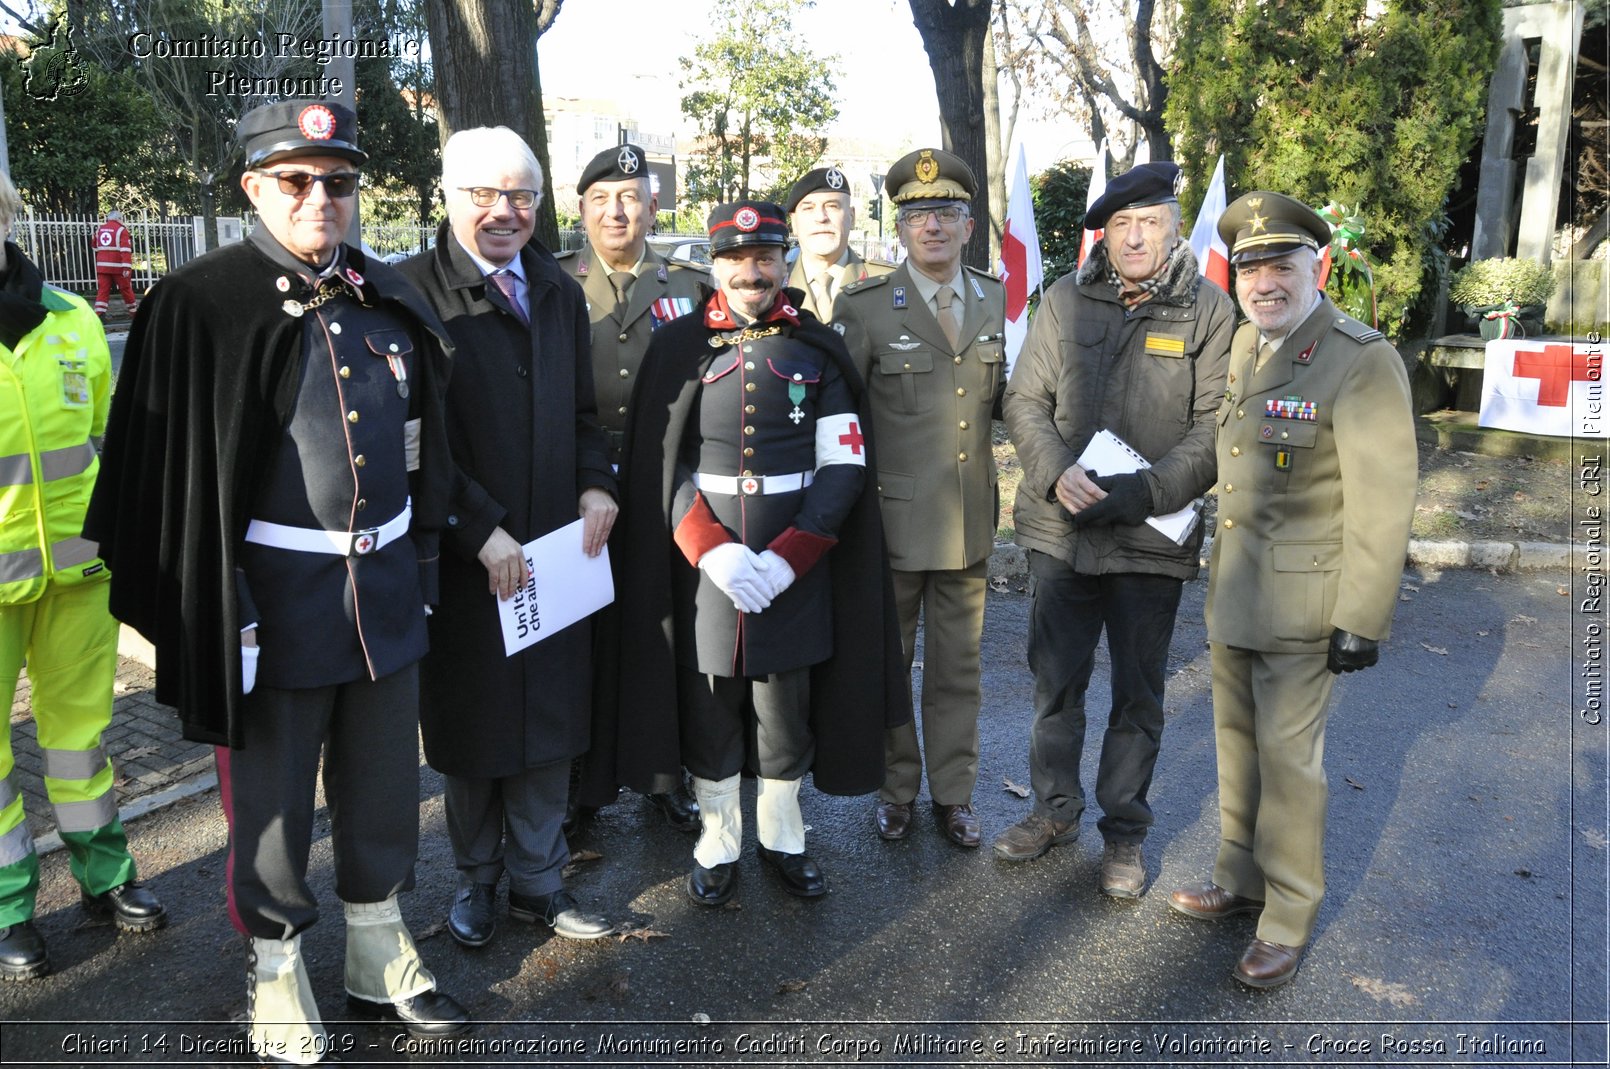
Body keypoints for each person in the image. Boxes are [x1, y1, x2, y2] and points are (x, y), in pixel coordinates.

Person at [84, 100, 468, 1061]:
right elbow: (161, 480)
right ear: (253, 186)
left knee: (383, 787)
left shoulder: (387, 298)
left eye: (337, 182)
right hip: (267, 606)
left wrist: (419, 570)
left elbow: (427, 452)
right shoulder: (200, 303)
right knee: (271, 806)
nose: (319, 199)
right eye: (296, 180)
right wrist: (221, 611)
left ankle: (377, 950)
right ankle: (276, 968)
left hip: (382, 598)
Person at [611, 200, 907, 907]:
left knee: (785, 704)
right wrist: (709, 551)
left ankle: (783, 832)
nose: (753, 271)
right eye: (738, 259)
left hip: (793, 567)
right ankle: (718, 835)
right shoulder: (676, 345)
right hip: (705, 571)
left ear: (785, 262)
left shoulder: (818, 347)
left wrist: (789, 556)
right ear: (714, 266)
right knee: (709, 702)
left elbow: (844, 463)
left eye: (766, 257)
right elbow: (660, 464)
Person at [1167, 191, 1416, 989]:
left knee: (1289, 761)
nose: (1265, 282)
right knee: (1237, 747)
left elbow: (1385, 499)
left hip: (1308, 608)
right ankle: (1240, 879)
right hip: (1236, 593)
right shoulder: (1247, 344)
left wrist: (1362, 616)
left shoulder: (1359, 356)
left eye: (1282, 265)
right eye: (1251, 268)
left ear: (1320, 267)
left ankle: (1289, 913)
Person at [398, 127, 617, 950]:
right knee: (476, 729)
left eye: (520, 195)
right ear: (448, 196)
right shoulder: (412, 292)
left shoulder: (556, 290)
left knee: (547, 722)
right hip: (468, 562)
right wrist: (477, 530)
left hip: (556, 555)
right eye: (483, 194)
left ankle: (540, 878)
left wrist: (599, 482)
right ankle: (478, 883)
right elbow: (410, 442)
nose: (504, 211)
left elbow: (585, 416)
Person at [998, 161, 1234, 898]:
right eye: (1122, 225)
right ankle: (1052, 811)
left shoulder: (1208, 310)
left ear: (1173, 225)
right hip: (1061, 531)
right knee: (1054, 688)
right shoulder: (1064, 300)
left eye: (1151, 223)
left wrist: (1148, 490)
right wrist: (1054, 470)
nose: (1136, 237)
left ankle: (1124, 833)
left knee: (1138, 697)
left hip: (1149, 537)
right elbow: (1024, 401)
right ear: (1105, 233)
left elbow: (1214, 426)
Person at [0, 172, 165, 982]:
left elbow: (114, 445)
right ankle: (9, 910)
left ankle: (107, 876)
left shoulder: (73, 322)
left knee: (76, 742)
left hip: (78, 574)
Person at [832, 148, 1005, 848]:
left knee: (960, 669)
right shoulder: (866, 307)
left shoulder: (996, 299)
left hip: (969, 519)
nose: (931, 226)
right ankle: (897, 789)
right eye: (917, 214)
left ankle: (953, 796)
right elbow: (843, 417)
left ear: (968, 226)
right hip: (893, 521)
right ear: (900, 229)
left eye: (946, 213)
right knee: (892, 664)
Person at [559, 142, 706, 832]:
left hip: (659, 485)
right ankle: (577, 785)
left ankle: (660, 774)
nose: (616, 211)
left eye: (630, 198)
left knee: (659, 632)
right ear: (580, 209)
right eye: (601, 200)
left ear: (653, 207)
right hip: (571, 488)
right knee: (576, 636)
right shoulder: (554, 283)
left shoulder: (691, 288)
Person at [783, 166, 891, 322]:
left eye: (832, 206)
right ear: (793, 222)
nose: (821, 217)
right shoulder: (774, 284)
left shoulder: (888, 282)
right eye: (808, 208)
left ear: (852, 217)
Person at [92, 209, 138, 320]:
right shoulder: (122, 230)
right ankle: (134, 313)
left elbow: (94, 247)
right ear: (118, 218)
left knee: (103, 290)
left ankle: (99, 314)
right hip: (118, 266)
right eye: (121, 219)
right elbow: (125, 250)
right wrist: (126, 266)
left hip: (102, 266)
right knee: (126, 289)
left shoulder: (100, 229)